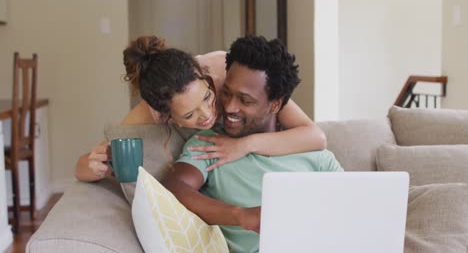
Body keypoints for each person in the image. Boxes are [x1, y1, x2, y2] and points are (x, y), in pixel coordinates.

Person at [160, 36, 343, 253]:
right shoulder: (210, 144)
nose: (229, 107)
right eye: (226, 93)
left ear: (275, 104)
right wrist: (240, 215)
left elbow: (353, 210)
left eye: (245, 101)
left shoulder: (316, 157)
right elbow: (174, 187)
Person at [75, 36, 327, 182]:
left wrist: (244, 144)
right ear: (165, 114)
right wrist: (90, 165)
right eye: (189, 114)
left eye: (208, 97)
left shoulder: (228, 70)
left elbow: (315, 136)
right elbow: (85, 164)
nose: (207, 115)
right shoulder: (151, 110)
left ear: (204, 75)